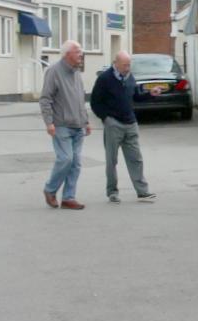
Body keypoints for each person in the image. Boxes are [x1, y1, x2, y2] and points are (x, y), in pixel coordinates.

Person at [90, 50, 157, 204]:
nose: (128, 68)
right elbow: (95, 102)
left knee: (136, 159)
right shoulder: (104, 79)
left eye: (129, 65)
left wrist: (149, 93)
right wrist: (106, 118)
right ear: (116, 63)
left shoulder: (129, 77)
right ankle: (112, 192)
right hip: (113, 124)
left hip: (130, 123)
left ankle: (143, 192)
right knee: (111, 160)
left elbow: (135, 96)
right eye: (125, 65)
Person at [40, 40, 91, 210]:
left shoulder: (76, 73)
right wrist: (49, 122)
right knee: (65, 159)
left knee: (75, 163)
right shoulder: (54, 72)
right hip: (61, 124)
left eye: (80, 51)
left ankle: (69, 197)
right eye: (77, 51)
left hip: (78, 125)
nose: (80, 54)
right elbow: (45, 99)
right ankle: (50, 189)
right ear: (67, 54)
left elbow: (80, 100)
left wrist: (86, 121)